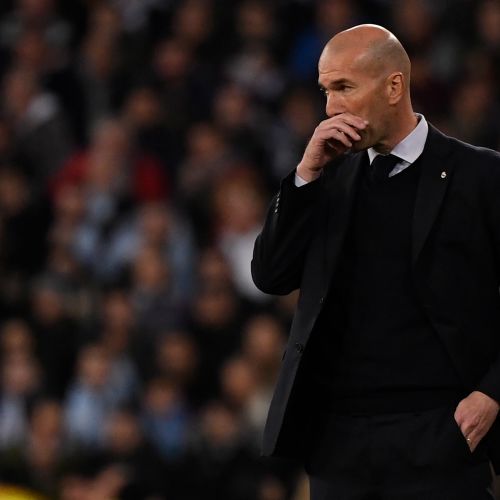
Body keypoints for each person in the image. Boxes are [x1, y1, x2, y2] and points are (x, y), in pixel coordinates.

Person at [251, 24, 500, 499]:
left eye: (344, 87)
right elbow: (270, 275)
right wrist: (305, 175)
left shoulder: (481, 174)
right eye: (325, 91)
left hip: (440, 435)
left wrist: (492, 392)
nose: (330, 107)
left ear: (394, 86)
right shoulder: (325, 176)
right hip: (338, 445)